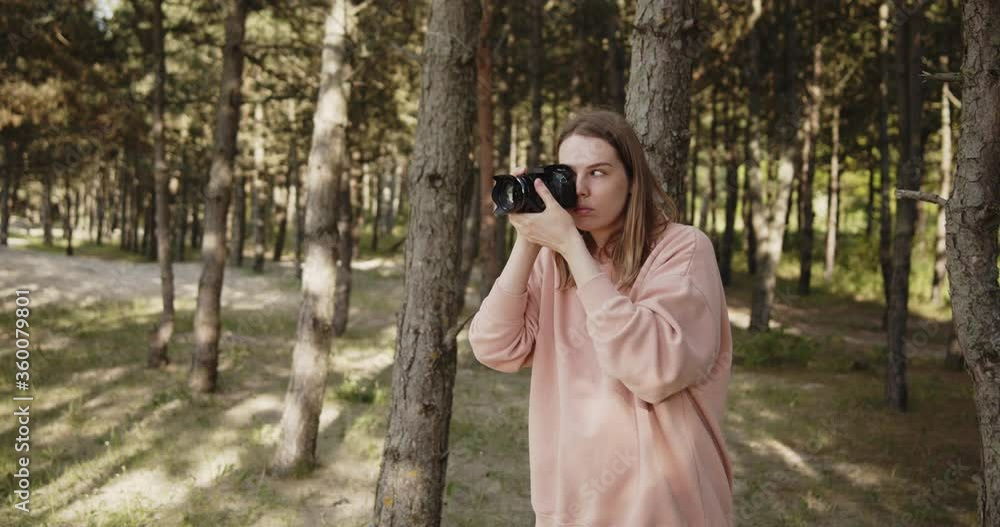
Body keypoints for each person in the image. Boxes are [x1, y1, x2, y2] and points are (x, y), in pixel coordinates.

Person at [468, 109, 733, 526]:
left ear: (633, 181)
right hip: (571, 502)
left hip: (660, 503)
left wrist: (572, 248)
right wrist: (529, 241)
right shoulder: (554, 260)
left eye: (598, 172)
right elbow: (494, 346)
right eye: (568, 173)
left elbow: (653, 368)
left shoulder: (682, 249)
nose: (580, 189)